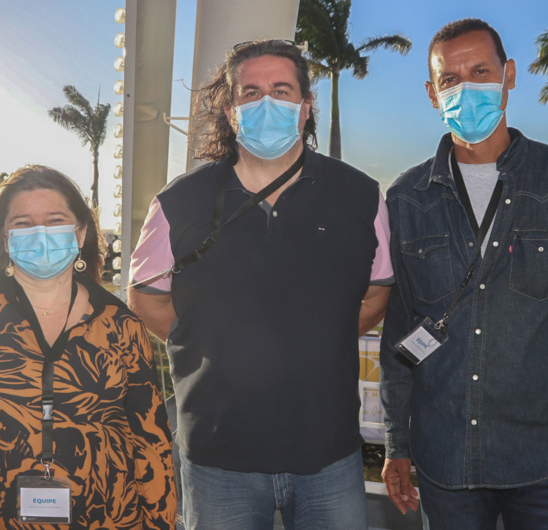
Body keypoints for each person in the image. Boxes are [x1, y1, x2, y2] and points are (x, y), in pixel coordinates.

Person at [379, 19, 548, 530]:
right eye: (450, 79)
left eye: (480, 71)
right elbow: (400, 336)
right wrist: (397, 442)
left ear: (509, 75)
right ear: (433, 95)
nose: (466, 88)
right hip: (444, 466)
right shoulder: (406, 199)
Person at [129, 39, 393, 529]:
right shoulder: (179, 202)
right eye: (250, 93)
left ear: (306, 106)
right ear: (231, 111)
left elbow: (379, 291)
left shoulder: (360, 196)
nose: (266, 103)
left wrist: (325, 334)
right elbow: (147, 299)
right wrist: (211, 343)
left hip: (328, 452)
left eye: (281, 90)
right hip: (216, 455)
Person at [0, 165, 176, 529]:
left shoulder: (120, 325)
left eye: (55, 220)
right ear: (4, 238)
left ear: (81, 232)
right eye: (24, 223)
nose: (40, 233)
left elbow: (150, 442)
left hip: (106, 518)